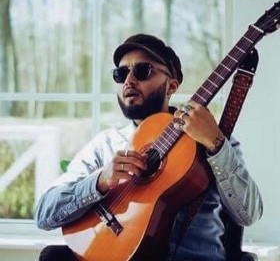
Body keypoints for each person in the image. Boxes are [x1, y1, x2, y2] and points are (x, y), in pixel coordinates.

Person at [35, 33, 263, 261]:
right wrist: (100, 181)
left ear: (171, 85)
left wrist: (216, 143)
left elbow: (249, 213)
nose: (129, 80)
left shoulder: (210, 139)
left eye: (142, 71)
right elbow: (44, 213)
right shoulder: (105, 144)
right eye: (121, 73)